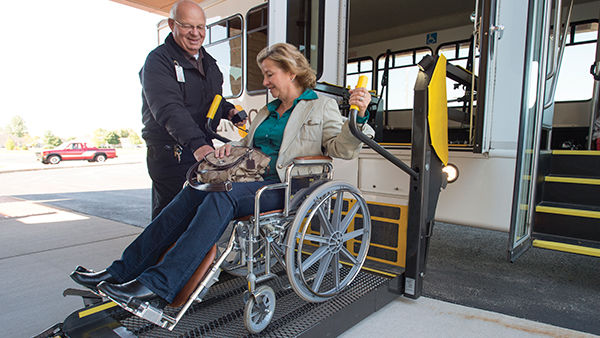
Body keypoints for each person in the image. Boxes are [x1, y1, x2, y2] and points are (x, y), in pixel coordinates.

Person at [70, 43, 374, 310]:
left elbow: (340, 148)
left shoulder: (321, 106)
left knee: (220, 197)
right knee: (193, 190)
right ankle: (122, 271)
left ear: (291, 72)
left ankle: (159, 284)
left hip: (284, 185)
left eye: (270, 74)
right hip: (249, 179)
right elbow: (247, 145)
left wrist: (358, 118)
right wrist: (228, 150)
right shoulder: (269, 111)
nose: (265, 81)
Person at [141, 0, 243, 219]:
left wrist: (229, 111)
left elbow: (214, 99)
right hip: (172, 154)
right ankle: (157, 255)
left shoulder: (210, 63)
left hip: (200, 150)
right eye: (188, 26)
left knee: (196, 218)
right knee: (169, 220)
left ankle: (191, 254)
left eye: (200, 27)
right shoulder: (159, 61)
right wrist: (198, 145)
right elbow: (169, 108)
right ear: (172, 25)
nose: (195, 33)